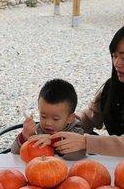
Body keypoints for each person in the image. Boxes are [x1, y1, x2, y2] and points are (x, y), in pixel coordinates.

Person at [51, 26, 124, 157]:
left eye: (123, 57)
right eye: (114, 56)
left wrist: (86, 142)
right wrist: (61, 121)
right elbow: (90, 117)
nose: (117, 63)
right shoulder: (111, 87)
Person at [10, 78, 85, 160]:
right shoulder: (37, 130)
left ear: (70, 118)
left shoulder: (76, 132)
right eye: (43, 116)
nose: (48, 123)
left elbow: (78, 155)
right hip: (39, 170)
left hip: (69, 171)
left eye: (55, 119)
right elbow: (14, 152)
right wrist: (25, 136)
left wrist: (52, 140)